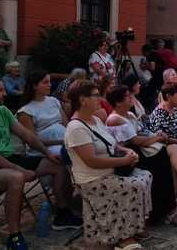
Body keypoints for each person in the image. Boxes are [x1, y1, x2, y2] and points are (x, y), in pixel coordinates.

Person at [0, 78, 82, 250]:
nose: (5, 93)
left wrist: (47, 153)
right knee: (16, 177)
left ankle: (62, 213)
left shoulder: (2, 111)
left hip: (9, 158)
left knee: (58, 163)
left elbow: (26, 135)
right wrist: (21, 169)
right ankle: (14, 236)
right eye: (0, 90)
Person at [64, 80, 152, 249]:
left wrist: (126, 152)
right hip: (92, 178)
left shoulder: (95, 120)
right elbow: (91, 160)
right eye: (96, 95)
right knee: (135, 184)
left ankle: (133, 226)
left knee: (146, 175)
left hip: (108, 170)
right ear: (83, 100)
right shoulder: (76, 128)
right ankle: (122, 236)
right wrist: (123, 161)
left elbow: (112, 143)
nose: (100, 99)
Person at [105, 86, 177, 224]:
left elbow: (143, 133)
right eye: (128, 96)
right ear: (118, 102)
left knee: (173, 153)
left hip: (145, 151)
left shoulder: (129, 115)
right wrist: (158, 137)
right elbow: (136, 141)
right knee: (170, 157)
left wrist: (156, 136)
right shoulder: (115, 119)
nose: (132, 98)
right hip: (132, 157)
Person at [17, 71, 69, 156]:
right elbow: (32, 140)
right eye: (45, 82)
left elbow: (66, 124)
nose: (50, 85)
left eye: (49, 82)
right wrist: (60, 141)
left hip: (64, 141)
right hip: (43, 149)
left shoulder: (54, 101)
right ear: (34, 86)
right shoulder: (26, 111)